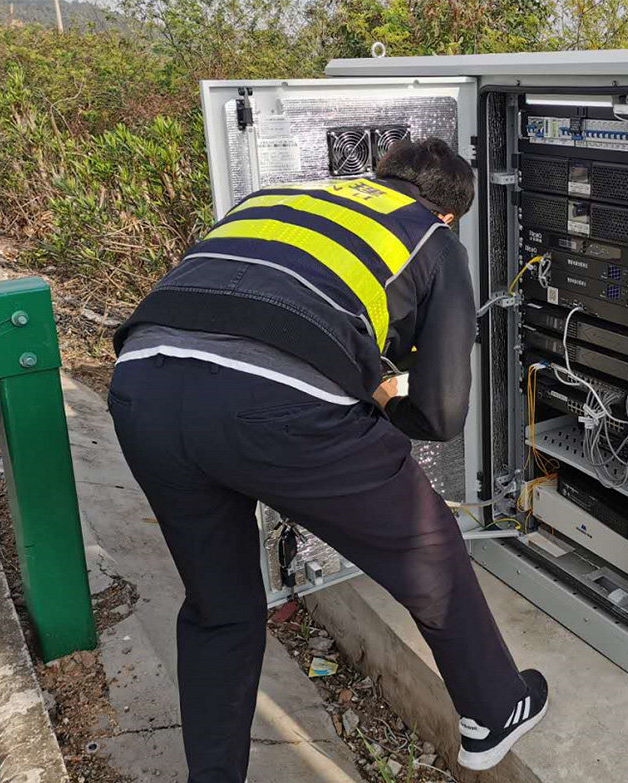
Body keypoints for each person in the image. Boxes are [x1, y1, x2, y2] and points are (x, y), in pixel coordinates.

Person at [109, 137, 548, 783]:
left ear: (381, 176)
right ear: (450, 213)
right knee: (429, 549)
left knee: (220, 606)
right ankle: (494, 707)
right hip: (276, 411)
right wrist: (383, 404)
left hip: (142, 383)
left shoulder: (277, 195)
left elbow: (241, 302)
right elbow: (441, 413)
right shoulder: (433, 238)